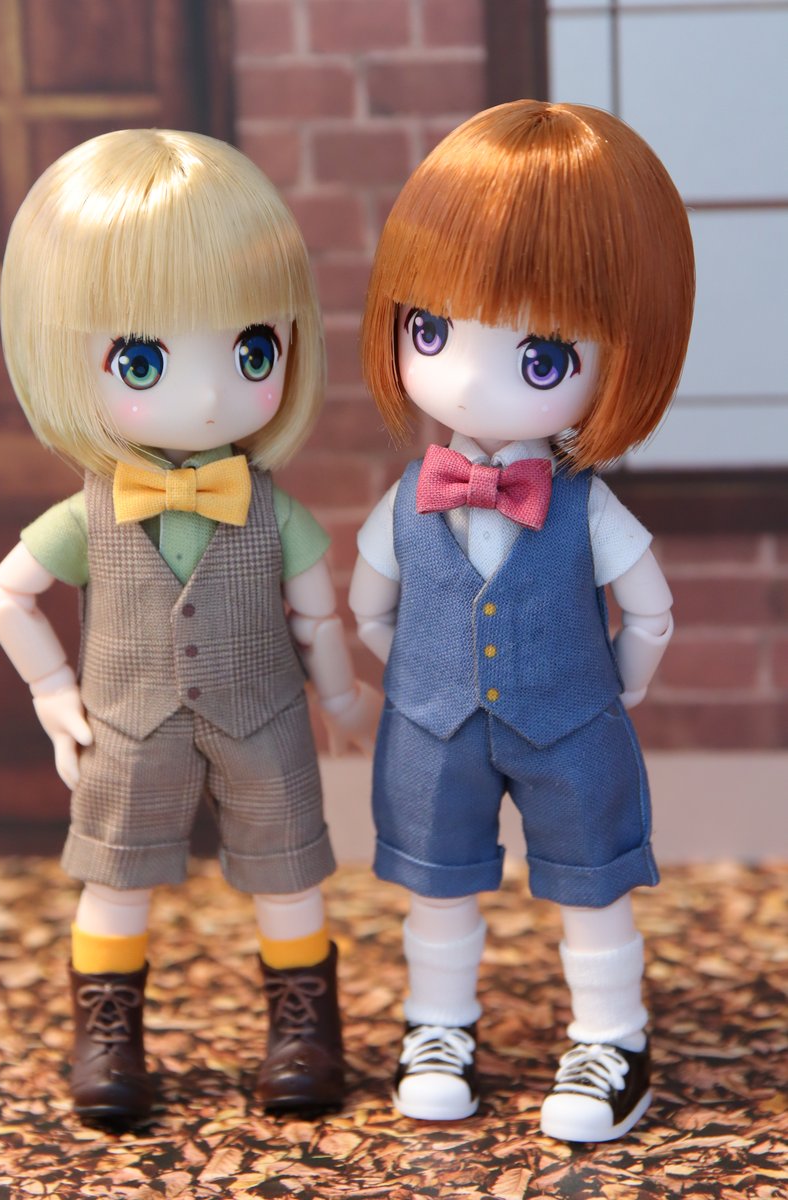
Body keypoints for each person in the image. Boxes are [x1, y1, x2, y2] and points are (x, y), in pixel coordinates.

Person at [0, 128, 377, 1128]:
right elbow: (9, 597)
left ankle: (304, 1028)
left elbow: (316, 612)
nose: (207, 396)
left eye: (252, 352)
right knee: (114, 880)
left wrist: (339, 698)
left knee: (289, 875)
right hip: (128, 721)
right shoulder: (88, 515)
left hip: (263, 717)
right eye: (144, 359)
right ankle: (107, 1035)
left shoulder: (273, 511)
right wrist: (52, 692)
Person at [349, 100, 694, 1142]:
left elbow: (650, 608)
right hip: (436, 724)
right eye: (431, 330)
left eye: (541, 355)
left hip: (565, 725)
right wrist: (422, 673)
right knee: (435, 884)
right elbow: (372, 604)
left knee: (593, 882)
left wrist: (612, 688)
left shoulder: (586, 506)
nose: (465, 377)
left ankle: (612, 1038)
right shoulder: (408, 499)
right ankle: (436, 1028)